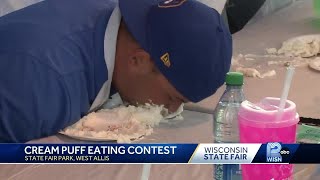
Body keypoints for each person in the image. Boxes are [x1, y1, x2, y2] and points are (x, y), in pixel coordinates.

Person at [0, 0, 232, 142]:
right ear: (139, 60)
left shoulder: (116, 26)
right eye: (172, 98)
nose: (171, 110)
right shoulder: (42, 88)